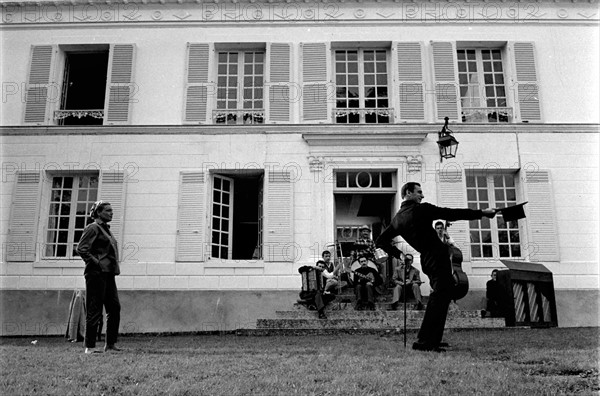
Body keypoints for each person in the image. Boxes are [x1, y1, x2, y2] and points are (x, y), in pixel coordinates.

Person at [376, 182, 496, 352]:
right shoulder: (421, 209)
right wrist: (482, 213)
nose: (422, 196)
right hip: (437, 257)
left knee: (441, 296)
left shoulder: (397, 219)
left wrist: (399, 254)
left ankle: (431, 339)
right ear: (408, 193)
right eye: (419, 192)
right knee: (439, 298)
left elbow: (380, 241)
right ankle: (425, 342)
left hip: (427, 259)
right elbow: (450, 213)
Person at [77, 201, 122, 354]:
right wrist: (97, 263)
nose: (111, 213)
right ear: (98, 212)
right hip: (96, 274)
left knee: (114, 308)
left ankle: (110, 344)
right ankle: (89, 347)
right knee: (94, 310)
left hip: (108, 274)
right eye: (108, 210)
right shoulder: (92, 228)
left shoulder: (106, 230)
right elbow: (82, 249)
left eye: (112, 210)